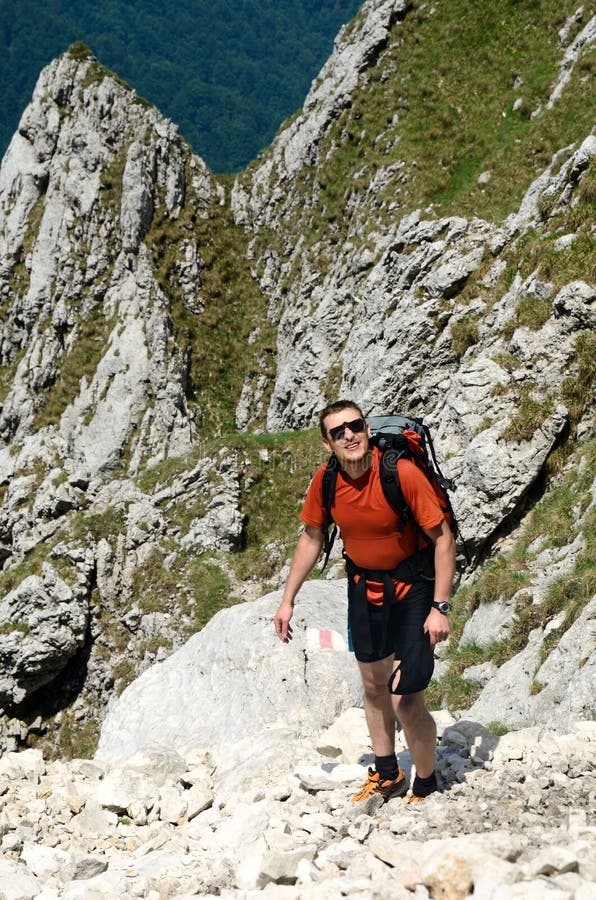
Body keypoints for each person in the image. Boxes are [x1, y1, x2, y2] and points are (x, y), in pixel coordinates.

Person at [273, 399, 456, 803]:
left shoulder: (402, 474)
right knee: (373, 686)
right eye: (338, 432)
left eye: (354, 426)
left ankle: (426, 784)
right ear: (327, 443)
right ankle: (388, 773)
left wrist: (440, 607)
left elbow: (443, 539)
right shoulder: (325, 481)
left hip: (414, 591)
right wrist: (288, 601)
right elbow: (311, 537)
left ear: (368, 430)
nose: (348, 435)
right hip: (365, 589)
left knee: (406, 699)